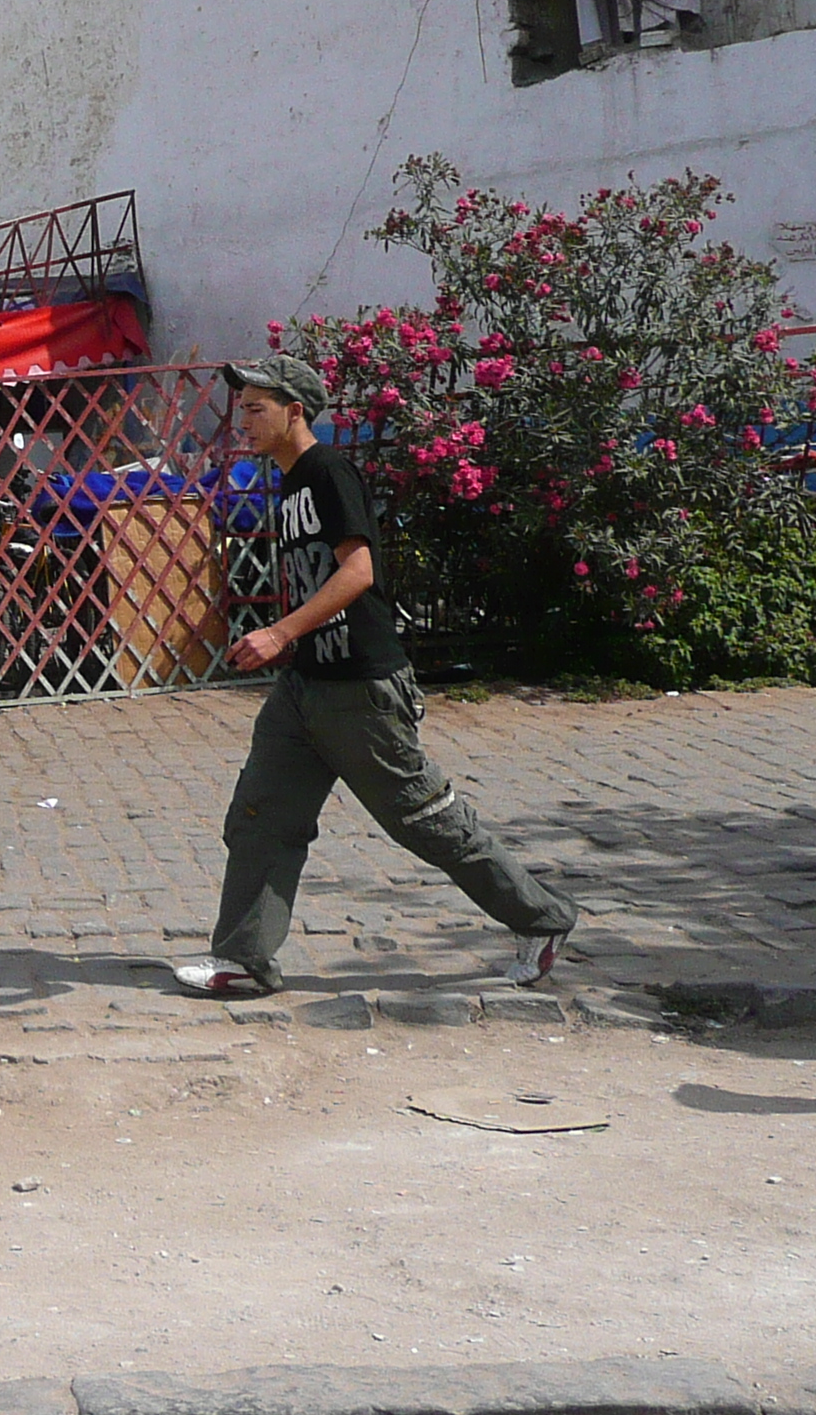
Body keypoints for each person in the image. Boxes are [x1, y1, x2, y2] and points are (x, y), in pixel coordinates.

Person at [175, 354, 582, 998]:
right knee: (260, 816)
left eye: (255, 408)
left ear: (294, 411)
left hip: (360, 688)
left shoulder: (329, 472)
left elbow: (358, 572)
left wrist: (280, 632)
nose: (242, 422)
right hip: (304, 688)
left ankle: (542, 918)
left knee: (423, 820)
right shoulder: (289, 484)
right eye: (241, 408)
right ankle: (243, 960)